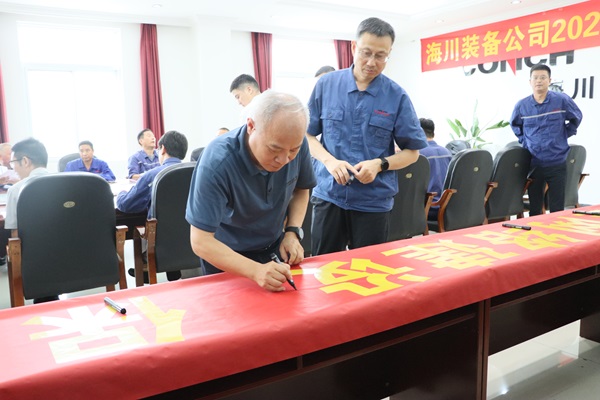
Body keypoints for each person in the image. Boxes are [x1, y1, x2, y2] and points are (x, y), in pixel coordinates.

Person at [306, 17, 428, 256]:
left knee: (369, 270)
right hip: (329, 195)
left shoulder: (397, 96)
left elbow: (412, 153)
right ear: (354, 47)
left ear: (389, 54)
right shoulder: (326, 85)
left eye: (381, 56)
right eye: (366, 53)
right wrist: (330, 161)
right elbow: (308, 137)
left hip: (373, 202)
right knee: (324, 267)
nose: (372, 62)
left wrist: (380, 164)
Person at [186, 90, 316, 292]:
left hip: (273, 249)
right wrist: (255, 270)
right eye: (274, 149)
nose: (284, 160)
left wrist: (292, 232)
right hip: (227, 258)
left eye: (293, 150)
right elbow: (200, 241)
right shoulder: (217, 162)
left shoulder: (295, 143)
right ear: (251, 126)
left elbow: (301, 189)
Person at [510, 64, 583, 215]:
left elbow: (577, 117)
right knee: (535, 208)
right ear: (530, 81)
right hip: (534, 163)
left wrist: (565, 134)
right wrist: (526, 142)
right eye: (535, 78)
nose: (539, 81)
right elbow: (515, 125)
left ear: (549, 80)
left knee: (557, 208)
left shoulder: (561, 100)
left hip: (557, 161)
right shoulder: (522, 106)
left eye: (543, 77)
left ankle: (557, 229)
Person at [117, 130, 188, 282]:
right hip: (192, 234)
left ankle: (147, 265)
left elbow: (126, 205)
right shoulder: (196, 171)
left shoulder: (152, 175)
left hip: (161, 236)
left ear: (163, 149)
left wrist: (122, 193)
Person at [4, 138, 53, 302]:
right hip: (73, 258)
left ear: (25, 161)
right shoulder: (69, 183)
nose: (13, 168)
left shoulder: (17, 190)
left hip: (37, 266)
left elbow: (15, 234)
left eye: (13, 163)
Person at [418, 118, 452, 221]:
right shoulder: (447, 152)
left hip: (428, 209)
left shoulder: (418, 155)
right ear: (433, 133)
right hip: (447, 207)